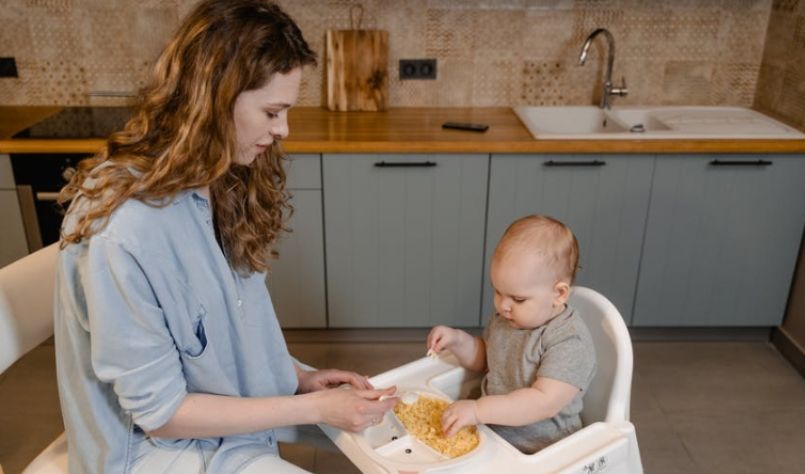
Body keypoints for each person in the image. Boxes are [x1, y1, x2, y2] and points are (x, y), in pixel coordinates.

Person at [53, 1, 397, 473]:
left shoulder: (220, 178)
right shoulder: (124, 231)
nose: (283, 130)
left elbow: (222, 336)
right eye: (273, 112)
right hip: (150, 454)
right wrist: (313, 409)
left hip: (224, 433)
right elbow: (161, 414)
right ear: (215, 99)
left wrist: (298, 379)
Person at [427, 215, 596, 454]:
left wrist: (478, 410)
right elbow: (488, 360)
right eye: (497, 291)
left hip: (540, 451)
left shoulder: (569, 341)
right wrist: (457, 340)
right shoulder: (509, 318)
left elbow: (543, 402)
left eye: (518, 299)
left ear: (558, 294)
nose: (502, 305)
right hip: (491, 435)